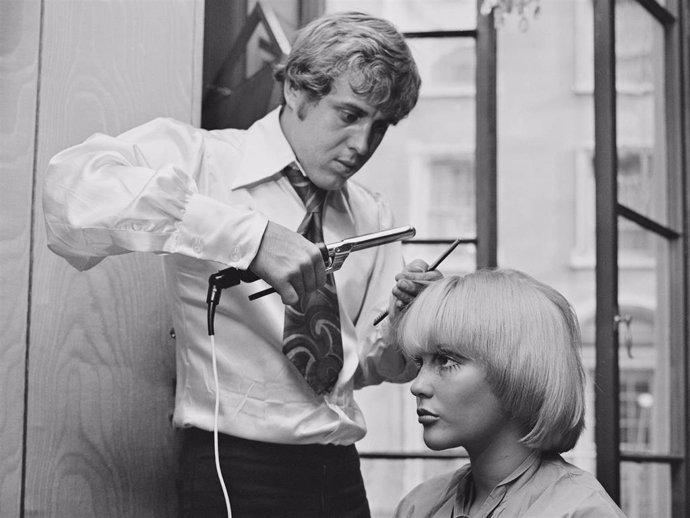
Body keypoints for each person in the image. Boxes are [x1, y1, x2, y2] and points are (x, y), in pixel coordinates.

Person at [43, 11, 442, 518]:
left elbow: (364, 366)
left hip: (340, 472)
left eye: (379, 127)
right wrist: (249, 238)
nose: (362, 146)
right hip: (234, 468)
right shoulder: (203, 162)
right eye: (349, 115)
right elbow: (69, 195)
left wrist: (404, 328)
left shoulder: (372, 213)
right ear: (298, 90)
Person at [393, 270, 627, 518]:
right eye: (420, 363)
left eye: (446, 360)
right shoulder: (418, 506)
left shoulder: (580, 512)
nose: (417, 385)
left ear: (519, 371)